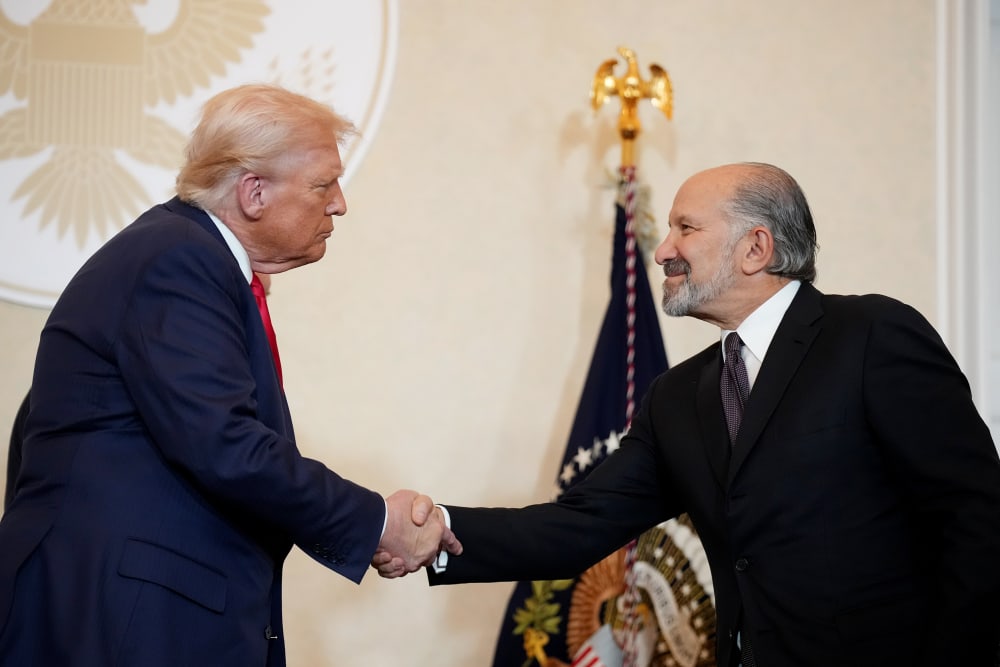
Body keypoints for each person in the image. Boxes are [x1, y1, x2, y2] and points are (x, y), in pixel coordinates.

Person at [375, 162, 1000, 666]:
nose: (663, 250)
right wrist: (441, 532)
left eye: (685, 229)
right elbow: (582, 524)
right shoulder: (678, 396)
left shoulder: (869, 334)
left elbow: (975, 515)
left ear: (756, 247)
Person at [0, 83, 459, 666]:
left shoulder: (190, 260)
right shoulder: (178, 260)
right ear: (254, 192)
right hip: (120, 623)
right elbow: (226, 446)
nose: (339, 203)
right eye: (323, 184)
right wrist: (376, 523)